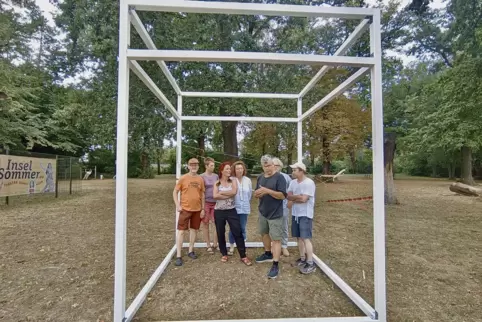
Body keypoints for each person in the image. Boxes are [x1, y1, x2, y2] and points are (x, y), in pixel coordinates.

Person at [254, 155, 287, 279]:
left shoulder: (280, 177)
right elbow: (258, 192)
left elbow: (282, 195)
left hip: (275, 214)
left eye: (269, 165)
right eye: (265, 166)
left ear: (274, 165)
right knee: (264, 234)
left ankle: (275, 264)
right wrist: (257, 194)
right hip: (263, 212)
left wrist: (268, 191)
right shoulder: (260, 177)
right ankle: (268, 254)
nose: (267, 168)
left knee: (276, 239)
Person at [213, 162, 252, 266]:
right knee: (220, 232)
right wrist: (226, 195)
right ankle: (224, 254)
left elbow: (234, 192)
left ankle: (243, 255)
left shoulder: (233, 181)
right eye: (227, 169)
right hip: (219, 211)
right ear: (222, 171)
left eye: (230, 169)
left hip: (231, 210)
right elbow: (215, 196)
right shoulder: (217, 183)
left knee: (237, 231)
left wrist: (221, 193)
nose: (229, 171)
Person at [172, 158, 205, 266]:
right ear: (188, 166)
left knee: (194, 230)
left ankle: (191, 250)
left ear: (198, 166)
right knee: (181, 231)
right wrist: (178, 205)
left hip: (197, 209)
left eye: (196, 165)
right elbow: (175, 191)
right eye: (192, 165)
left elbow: (203, 194)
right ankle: (179, 255)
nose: (194, 166)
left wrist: (203, 208)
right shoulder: (183, 178)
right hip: (185, 209)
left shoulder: (200, 179)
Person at [286, 162, 317, 274]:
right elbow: (288, 196)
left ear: (301, 171)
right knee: (299, 237)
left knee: (305, 238)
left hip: (305, 214)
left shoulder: (309, 183)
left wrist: (294, 199)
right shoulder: (293, 182)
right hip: (295, 214)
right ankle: (302, 258)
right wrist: (297, 197)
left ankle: (310, 263)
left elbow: (304, 199)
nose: (293, 172)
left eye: (295, 170)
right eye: (293, 170)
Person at [228, 160, 252, 255]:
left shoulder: (248, 180)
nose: (239, 170)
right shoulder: (230, 179)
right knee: (232, 227)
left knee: (242, 227)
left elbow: (249, 193)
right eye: (237, 168)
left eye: (241, 168)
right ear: (234, 169)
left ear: (243, 169)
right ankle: (231, 245)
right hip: (233, 207)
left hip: (244, 207)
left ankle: (242, 245)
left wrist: (245, 202)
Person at [272, 157, 292, 257]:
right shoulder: (269, 176)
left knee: (284, 226)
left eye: (276, 165)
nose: (274, 167)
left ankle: (284, 246)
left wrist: (290, 202)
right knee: (273, 227)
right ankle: (274, 246)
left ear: (280, 166)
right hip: (272, 207)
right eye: (273, 165)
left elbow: (291, 191)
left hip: (283, 206)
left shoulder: (286, 178)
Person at [201, 157, 219, 253]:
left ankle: (215, 243)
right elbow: (201, 192)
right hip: (206, 203)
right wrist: (202, 207)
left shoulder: (216, 176)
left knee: (216, 223)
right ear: (206, 166)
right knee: (205, 223)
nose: (213, 167)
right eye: (211, 165)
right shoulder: (202, 176)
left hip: (215, 203)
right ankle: (208, 245)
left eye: (213, 165)